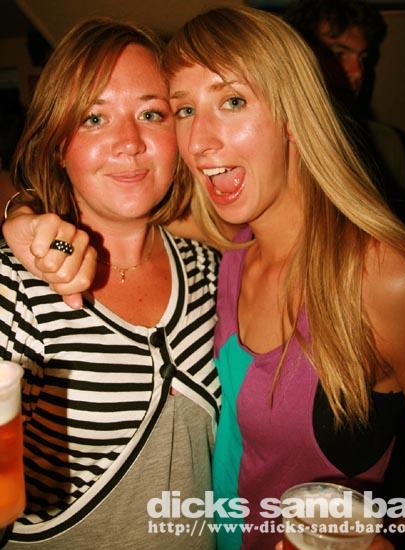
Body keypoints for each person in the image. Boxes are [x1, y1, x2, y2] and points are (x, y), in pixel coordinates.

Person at [4, 5, 405, 550]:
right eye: (184, 110)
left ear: (295, 112)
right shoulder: (220, 252)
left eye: (231, 101)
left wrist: (391, 537)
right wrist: (22, 217)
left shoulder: (387, 278)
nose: (199, 141)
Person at [0, 17, 220, 549]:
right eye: (95, 118)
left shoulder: (211, 270)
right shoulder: (14, 287)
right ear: (59, 144)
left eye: (151, 114)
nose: (129, 143)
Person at [284, 0, 405, 228]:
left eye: (363, 58)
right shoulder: (270, 142)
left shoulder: (388, 145)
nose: (357, 73)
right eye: (338, 54)